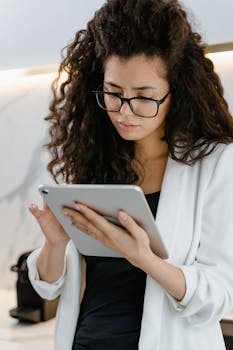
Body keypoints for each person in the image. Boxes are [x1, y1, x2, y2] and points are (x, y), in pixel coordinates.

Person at [27, 0, 233, 349]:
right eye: (113, 93)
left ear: (176, 91)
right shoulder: (94, 156)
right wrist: (55, 243)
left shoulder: (215, 162)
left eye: (143, 97)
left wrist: (144, 259)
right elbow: (47, 285)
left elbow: (221, 295)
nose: (125, 112)